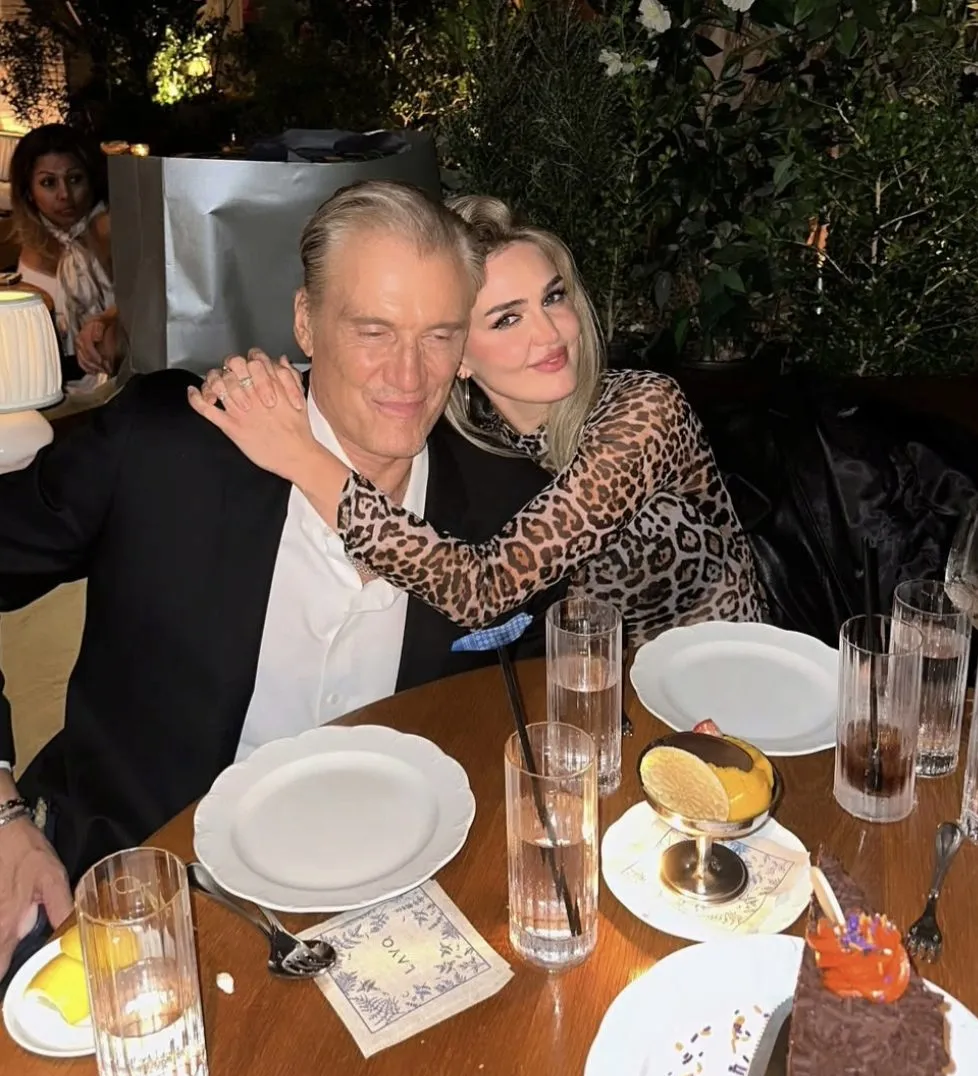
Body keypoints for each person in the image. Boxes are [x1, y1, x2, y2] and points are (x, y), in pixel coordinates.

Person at [0, 180, 564, 989]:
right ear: (305, 321)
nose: (409, 374)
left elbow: (538, 723)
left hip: (395, 914)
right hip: (140, 895)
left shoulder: (511, 509)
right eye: (373, 330)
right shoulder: (165, 450)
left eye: (438, 335)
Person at [195, 196, 765, 646]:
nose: (549, 333)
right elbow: (361, 375)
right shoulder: (471, 441)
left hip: (724, 681)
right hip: (593, 702)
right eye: (507, 319)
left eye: (553, 298)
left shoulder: (644, 409)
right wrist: (254, 384)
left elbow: (484, 588)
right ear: (457, 352)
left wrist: (302, 457)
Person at [10, 124, 120, 377]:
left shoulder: (115, 227)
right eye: (48, 182)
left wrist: (109, 319)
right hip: (47, 374)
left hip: (117, 374)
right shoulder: (32, 241)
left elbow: (152, 299)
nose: (64, 194)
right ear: (29, 192)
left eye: (74, 179)